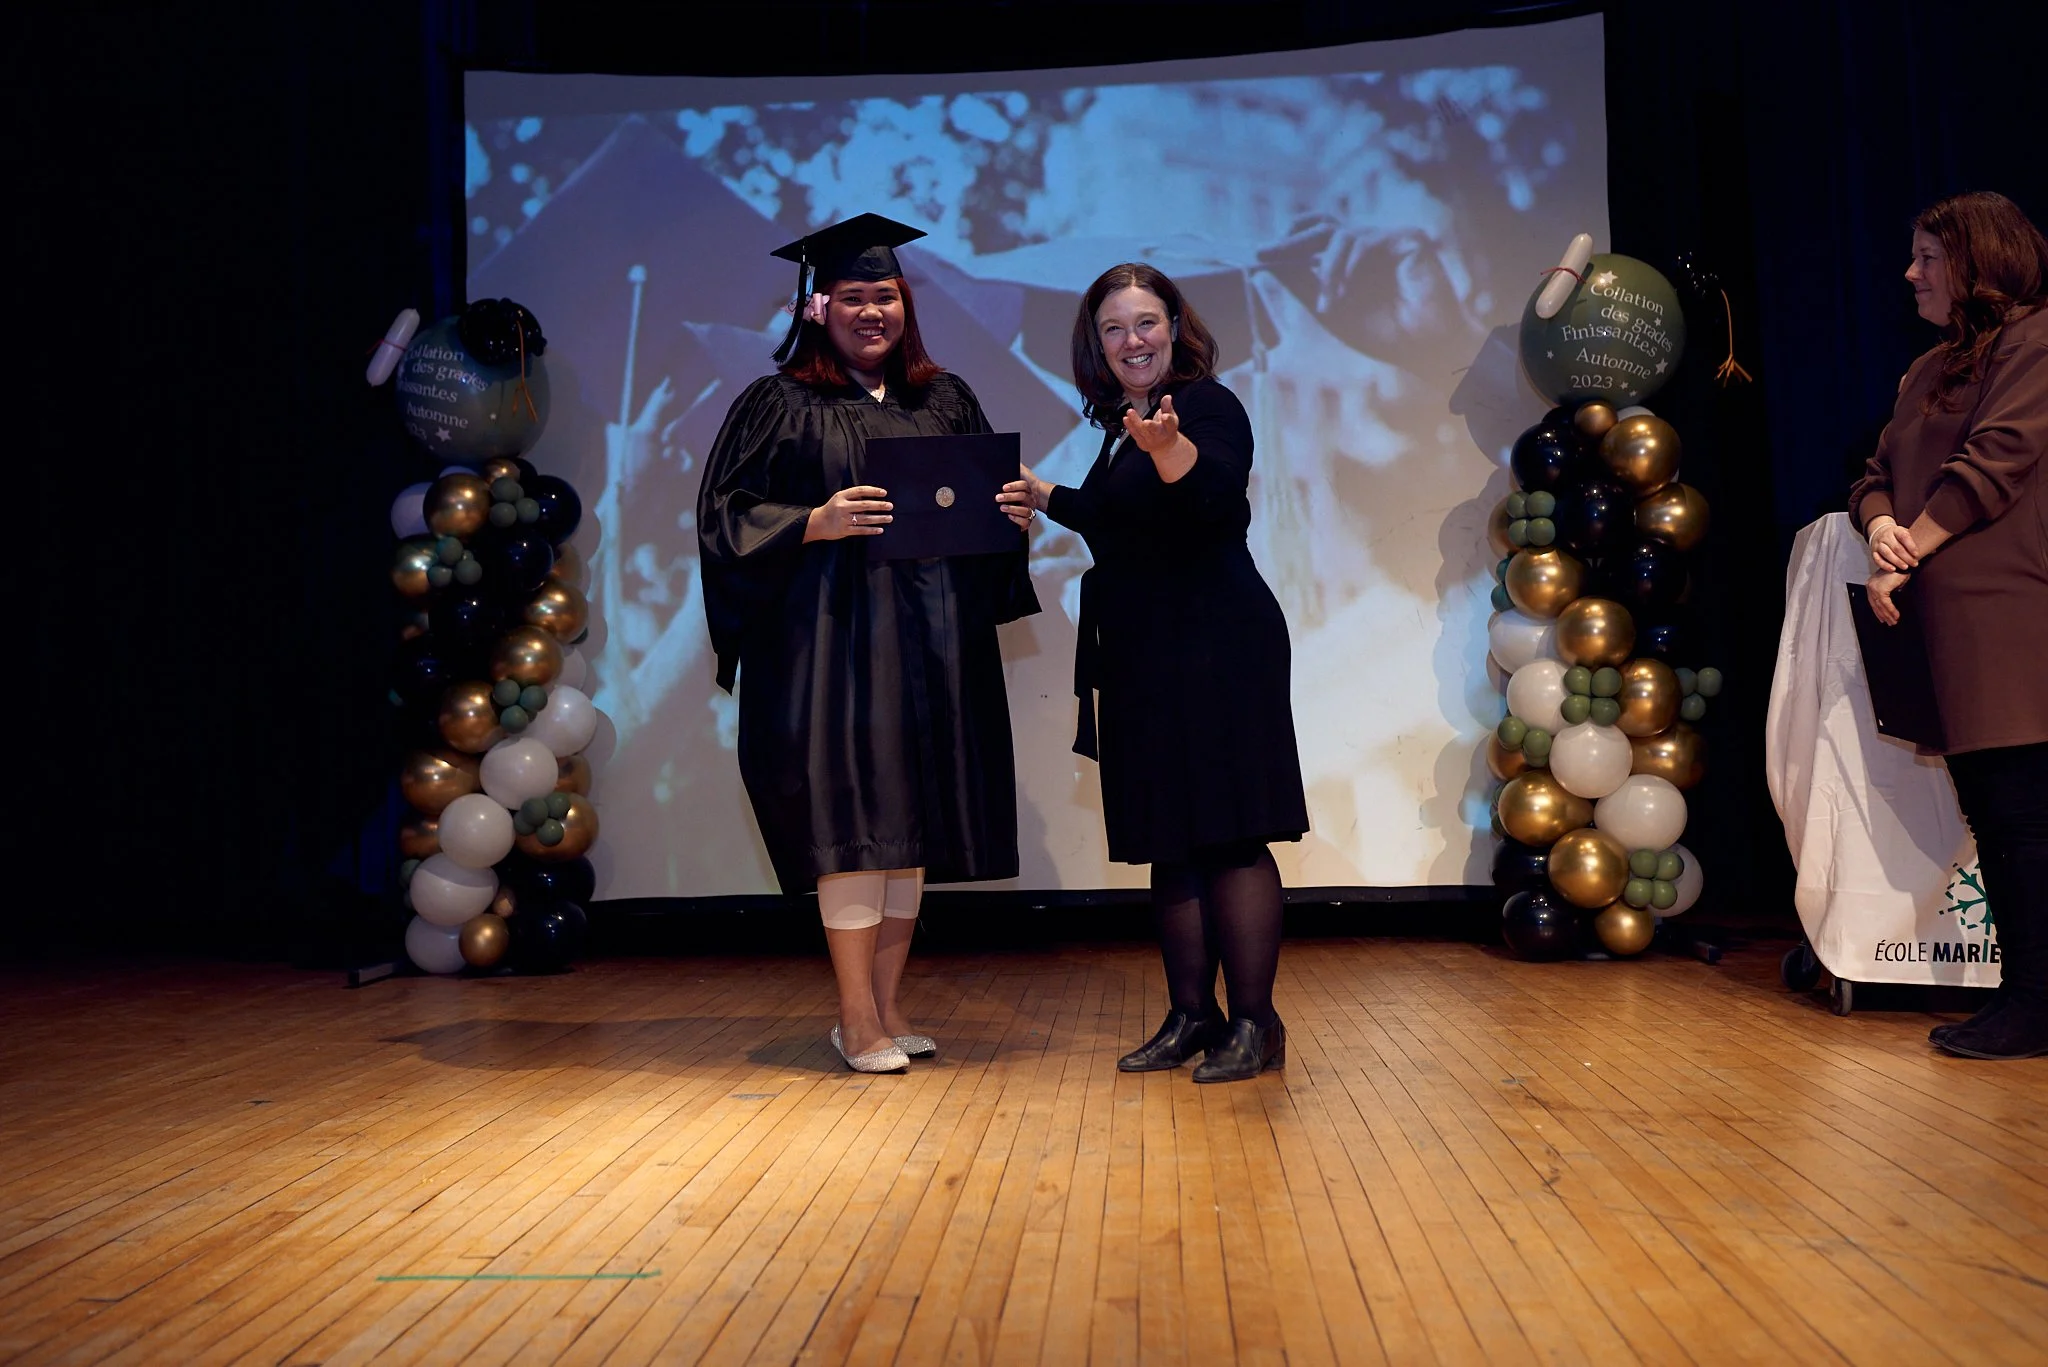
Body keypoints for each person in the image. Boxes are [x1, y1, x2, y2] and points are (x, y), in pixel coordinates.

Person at [696, 213, 1040, 1073]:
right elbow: (724, 518)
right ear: (818, 307)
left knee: (908, 831)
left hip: (931, 650)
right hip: (832, 653)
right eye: (852, 296)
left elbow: (978, 513)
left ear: (905, 303)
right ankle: (855, 1018)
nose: (871, 311)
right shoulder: (778, 405)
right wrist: (812, 521)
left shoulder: (944, 400)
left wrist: (1006, 516)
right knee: (854, 827)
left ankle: (888, 1007)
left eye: (884, 295)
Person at [1021, 263, 1310, 1082]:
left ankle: (1255, 1024)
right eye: (1113, 328)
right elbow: (1116, 521)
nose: (1132, 340)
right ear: (1097, 343)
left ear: (1175, 328)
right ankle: (1192, 1015)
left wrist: (1169, 447)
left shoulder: (1207, 407)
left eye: (1145, 322)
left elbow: (1213, 495)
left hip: (1220, 644)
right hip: (1146, 649)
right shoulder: (1123, 424)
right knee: (1171, 838)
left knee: (1231, 832)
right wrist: (1042, 494)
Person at [1851, 190, 2048, 1060]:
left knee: (2023, 813)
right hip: (1943, 619)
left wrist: (1909, 548)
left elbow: (1996, 460)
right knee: (1996, 815)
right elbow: (1874, 474)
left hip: (2011, 611)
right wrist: (1879, 528)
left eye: (1928, 257)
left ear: (1978, 260)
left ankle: (2036, 1002)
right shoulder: (1928, 368)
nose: (1911, 273)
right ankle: (2026, 995)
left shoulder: (2036, 342)